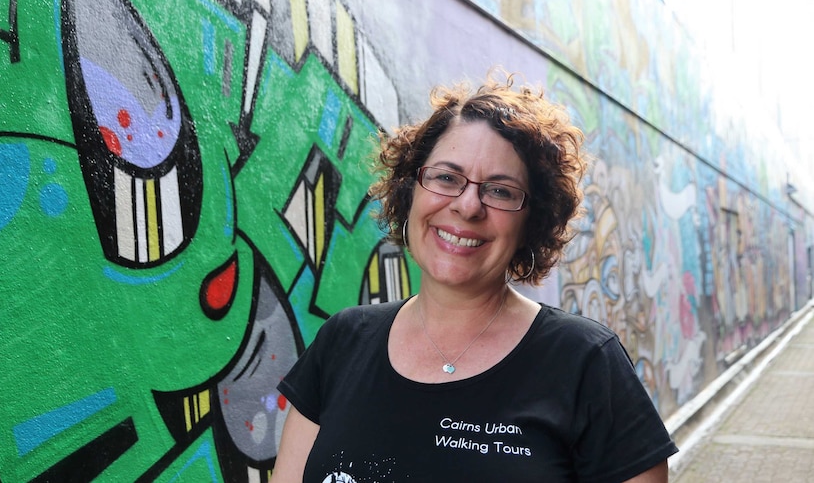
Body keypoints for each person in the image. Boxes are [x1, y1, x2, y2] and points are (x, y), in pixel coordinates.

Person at [271, 72, 678, 482]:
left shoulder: (586, 361)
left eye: (500, 191)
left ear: (532, 221)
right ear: (410, 190)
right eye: (447, 178)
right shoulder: (342, 342)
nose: (468, 206)